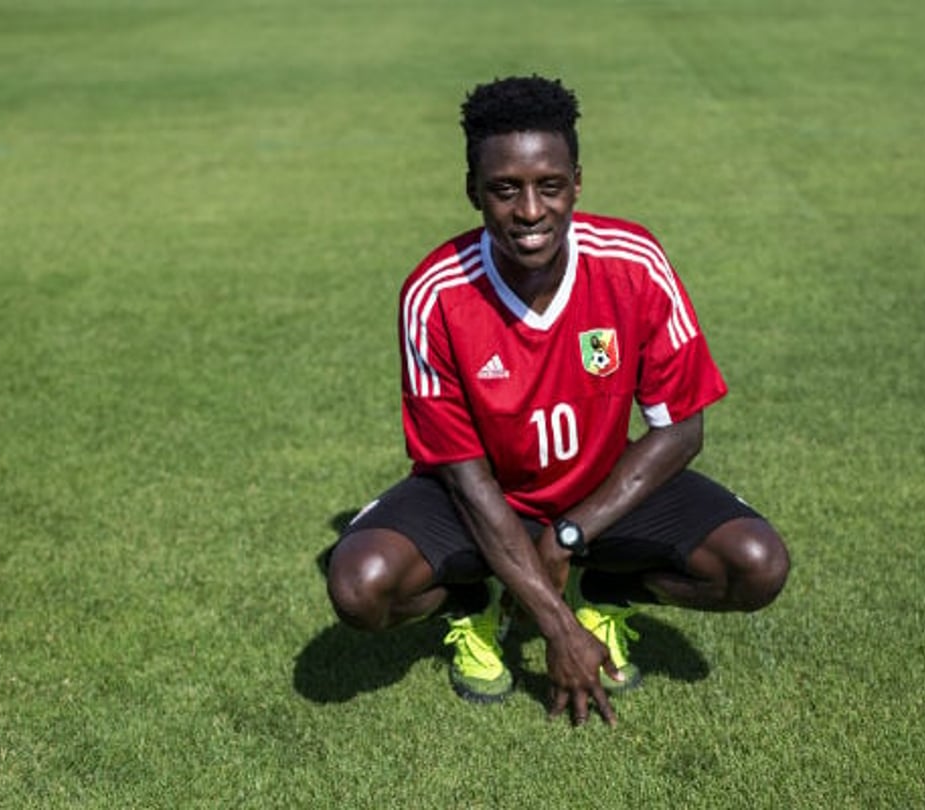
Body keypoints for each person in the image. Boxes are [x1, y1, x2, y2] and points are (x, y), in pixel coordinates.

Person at [327, 75, 789, 726]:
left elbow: (681, 429)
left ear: (576, 182)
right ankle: (474, 601)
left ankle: (605, 589)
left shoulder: (633, 261)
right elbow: (462, 475)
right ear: (472, 192)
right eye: (504, 189)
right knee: (359, 587)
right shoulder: (434, 293)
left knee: (756, 566)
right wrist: (558, 626)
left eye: (548, 185)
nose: (529, 211)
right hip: (479, 500)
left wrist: (569, 535)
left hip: (593, 490)